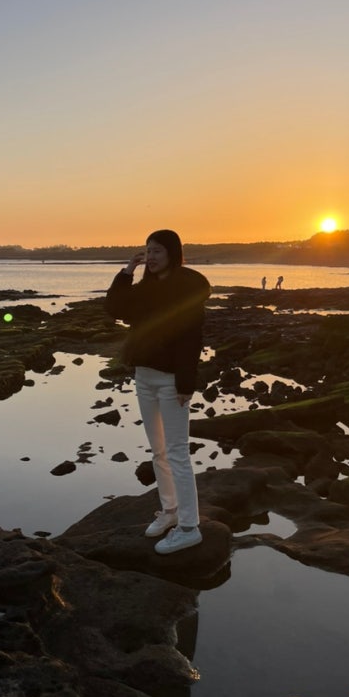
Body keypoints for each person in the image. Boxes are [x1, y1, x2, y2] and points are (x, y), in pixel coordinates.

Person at [106, 230, 211, 555]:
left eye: (157, 252)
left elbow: (192, 339)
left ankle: (189, 527)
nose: (150, 257)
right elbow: (114, 308)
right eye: (147, 251)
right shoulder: (145, 290)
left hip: (170, 382)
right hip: (144, 376)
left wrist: (184, 383)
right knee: (158, 451)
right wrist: (127, 271)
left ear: (173, 254)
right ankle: (170, 512)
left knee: (178, 452)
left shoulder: (186, 291)